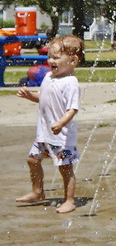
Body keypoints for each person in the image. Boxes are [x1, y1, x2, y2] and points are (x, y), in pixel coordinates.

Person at [15, 35, 83, 214]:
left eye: (56, 57)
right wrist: (30, 96)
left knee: (65, 168)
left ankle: (70, 200)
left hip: (62, 137)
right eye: (50, 57)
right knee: (32, 160)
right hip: (44, 134)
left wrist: (61, 123)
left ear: (73, 60)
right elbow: (43, 97)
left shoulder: (71, 83)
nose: (50, 60)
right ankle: (38, 191)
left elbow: (73, 109)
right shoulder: (48, 76)